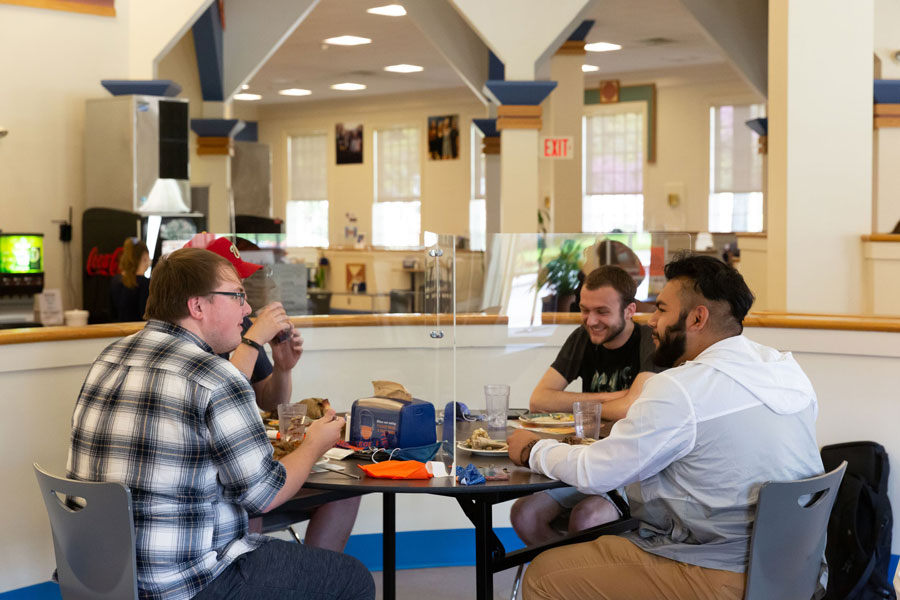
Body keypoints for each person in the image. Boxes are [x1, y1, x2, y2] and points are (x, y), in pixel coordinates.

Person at [509, 254, 824, 600]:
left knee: (544, 574)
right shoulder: (786, 370)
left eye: (660, 309)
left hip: (718, 572)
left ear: (697, 318)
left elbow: (595, 473)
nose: (651, 320)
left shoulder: (683, 388)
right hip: (794, 571)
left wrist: (531, 449)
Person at [67, 248, 374, 600]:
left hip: (101, 577)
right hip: (184, 583)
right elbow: (264, 496)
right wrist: (314, 443)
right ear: (197, 307)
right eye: (237, 296)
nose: (247, 309)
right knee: (352, 579)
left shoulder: (109, 357)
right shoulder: (215, 376)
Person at [187, 235, 360, 551]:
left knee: (345, 491)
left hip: (245, 473)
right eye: (236, 289)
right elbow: (223, 393)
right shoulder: (198, 345)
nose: (246, 300)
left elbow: (270, 403)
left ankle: (312, 582)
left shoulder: (239, 325)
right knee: (248, 501)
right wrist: (252, 341)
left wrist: (283, 368)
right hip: (214, 497)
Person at [510, 266, 660, 547]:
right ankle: (564, 583)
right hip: (590, 462)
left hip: (635, 472)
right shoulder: (582, 338)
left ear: (629, 310)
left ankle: (581, 582)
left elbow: (632, 409)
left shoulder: (649, 342)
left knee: (586, 518)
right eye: (584, 310)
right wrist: (611, 398)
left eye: (602, 311)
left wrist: (615, 402)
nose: (591, 320)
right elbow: (539, 400)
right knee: (524, 514)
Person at [108, 237, 150, 322]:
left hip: (118, 332)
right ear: (145, 256)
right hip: (139, 333)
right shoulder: (146, 283)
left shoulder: (115, 280)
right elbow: (145, 316)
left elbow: (111, 313)